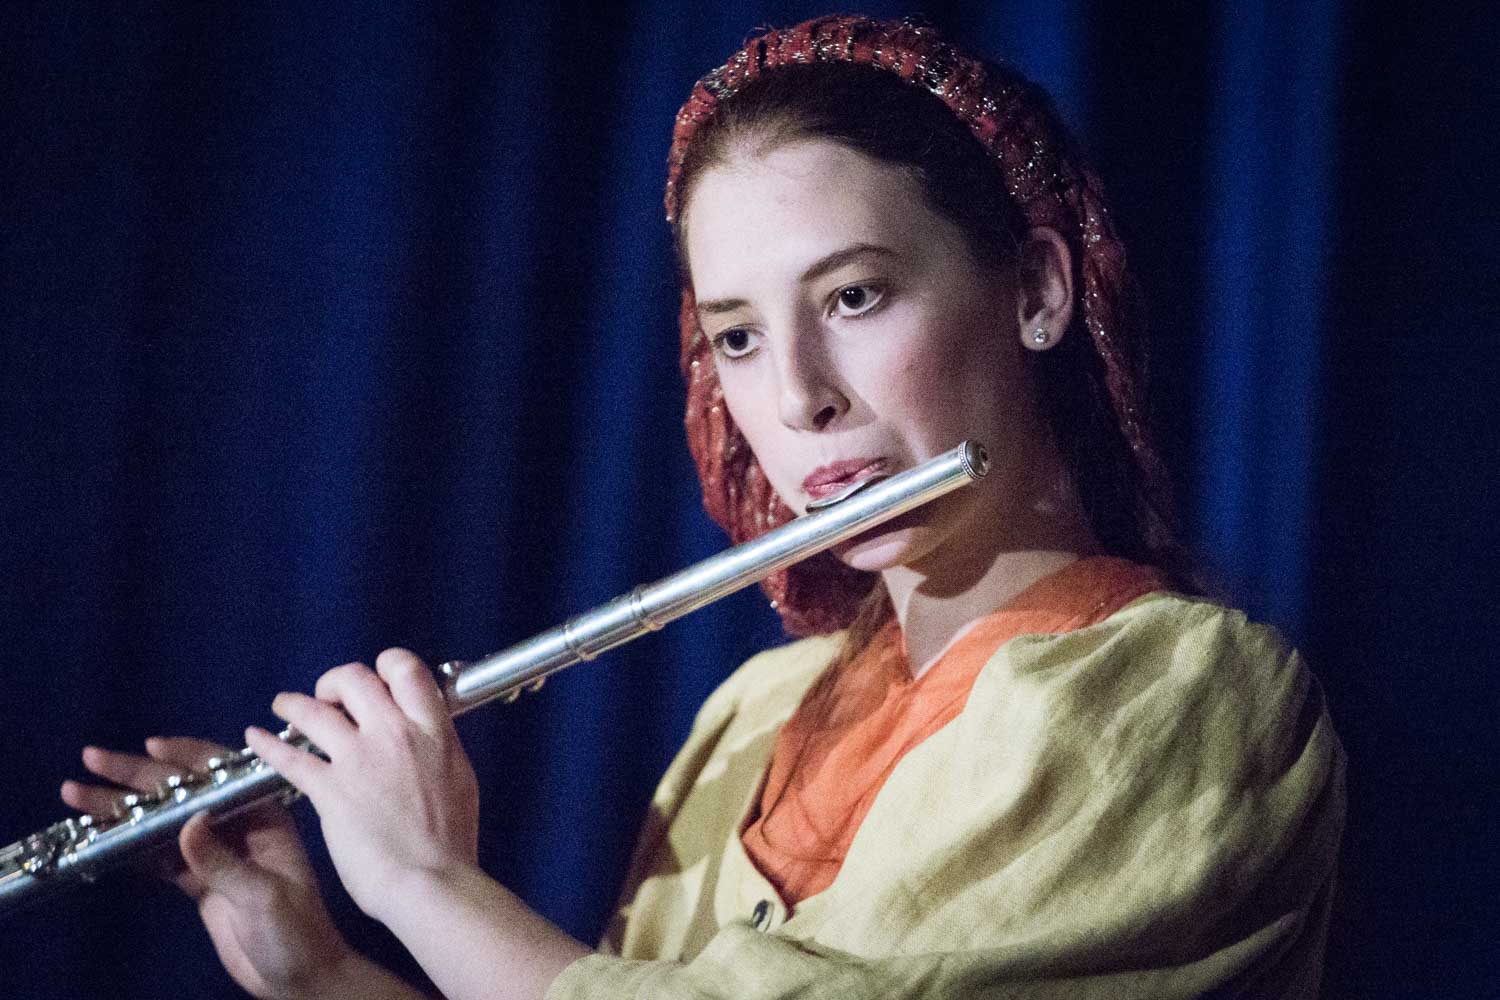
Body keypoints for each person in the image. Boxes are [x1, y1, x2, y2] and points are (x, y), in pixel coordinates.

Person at [62, 14, 1345, 1000]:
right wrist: (329, 970)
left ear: (1038, 291)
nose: (795, 397)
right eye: (735, 335)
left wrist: (423, 883)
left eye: (855, 298)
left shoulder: (1189, 698)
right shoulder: (754, 713)